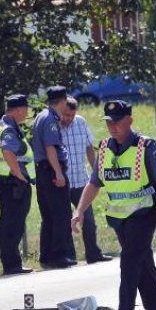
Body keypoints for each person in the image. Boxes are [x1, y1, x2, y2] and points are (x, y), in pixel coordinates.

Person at [71, 100, 156, 310]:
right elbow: (95, 182)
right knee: (144, 270)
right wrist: (80, 210)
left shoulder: (146, 147)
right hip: (119, 219)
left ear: (130, 120)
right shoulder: (104, 148)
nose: (112, 127)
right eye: (108, 122)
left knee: (128, 265)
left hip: (143, 215)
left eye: (116, 122)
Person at [0, 94, 35, 275]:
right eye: (26, 109)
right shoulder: (8, 129)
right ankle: (13, 265)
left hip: (4, 180)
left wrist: (1, 169)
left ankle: (11, 264)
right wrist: (18, 174)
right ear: (19, 110)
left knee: (7, 222)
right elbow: (7, 151)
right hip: (14, 184)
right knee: (14, 224)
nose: (27, 113)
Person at [60, 97, 112, 265]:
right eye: (66, 114)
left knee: (88, 219)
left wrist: (96, 171)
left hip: (82, 180)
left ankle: (93, 253)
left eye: (72, 115)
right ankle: (69, 256)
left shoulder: (81, 122)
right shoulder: (54, 127)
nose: (68, 118)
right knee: (64, 220)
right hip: (62, 182)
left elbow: (89, 147)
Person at [32, 85, 74, 268]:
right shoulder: (50, 119)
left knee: (48, 216)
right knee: (61, 214)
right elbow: (50, 148)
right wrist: (58, 172)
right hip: (51, 170)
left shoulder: (41, 116)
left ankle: (47, 256)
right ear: (63, 100)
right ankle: (58, 255)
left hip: (43, 170)